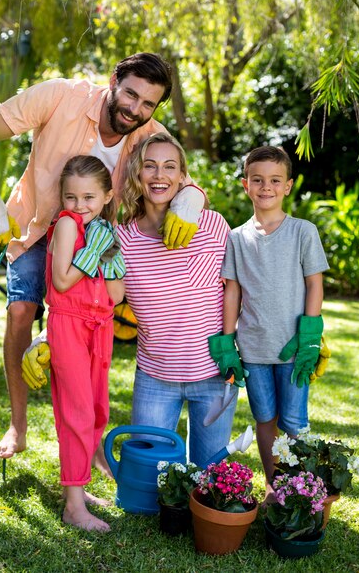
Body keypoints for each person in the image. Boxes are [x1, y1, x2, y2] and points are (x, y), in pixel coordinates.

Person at [0, 53, 205, 463]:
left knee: (93, 333)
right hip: (37, 229)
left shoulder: (150, 135)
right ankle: (18, 427)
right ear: (114, 80)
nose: (135, 109)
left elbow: (182, 180)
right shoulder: (60, 95)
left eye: (148, 103)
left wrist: (192, 198)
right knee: (21, 312)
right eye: (130, 94)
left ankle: (91, 443)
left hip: (95, 245)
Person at [116, 133, 239, 467]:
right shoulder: (123, 237)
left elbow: (243, 287)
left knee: (209, 477)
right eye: (150, 166)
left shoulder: (213, 225)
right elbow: (97, 299)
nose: (160, 175)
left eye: (170, 167)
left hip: (214, 375)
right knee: (149, 479)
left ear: (183, 177)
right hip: (155, 377)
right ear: (136, 174)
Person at [217, 145, 329, 500]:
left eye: (275, 180)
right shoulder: (236, 238)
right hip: (253, 349)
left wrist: (310, 334)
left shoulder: (302, 232)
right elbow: (232, 291)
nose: (266, 187)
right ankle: (274, 484)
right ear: (246, 185)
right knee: (265, 419)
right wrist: (227, 341)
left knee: (294, 423)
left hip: (294, 347)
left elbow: (314, 283)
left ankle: (303, 490)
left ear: (288, 186)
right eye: (258, 180)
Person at [45, 155, 124, 531]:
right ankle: (74, 507)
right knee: (76, 411)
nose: (80, 205)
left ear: (107, 196)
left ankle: (75, 488)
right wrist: (92, 250)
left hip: (101, 327)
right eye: (71, 197)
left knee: (95, 410)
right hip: (70, 326)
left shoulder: (105, 230)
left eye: (89, 197)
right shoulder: (65, 225)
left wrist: (108, 255)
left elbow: (118, 294)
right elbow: (61, 282)